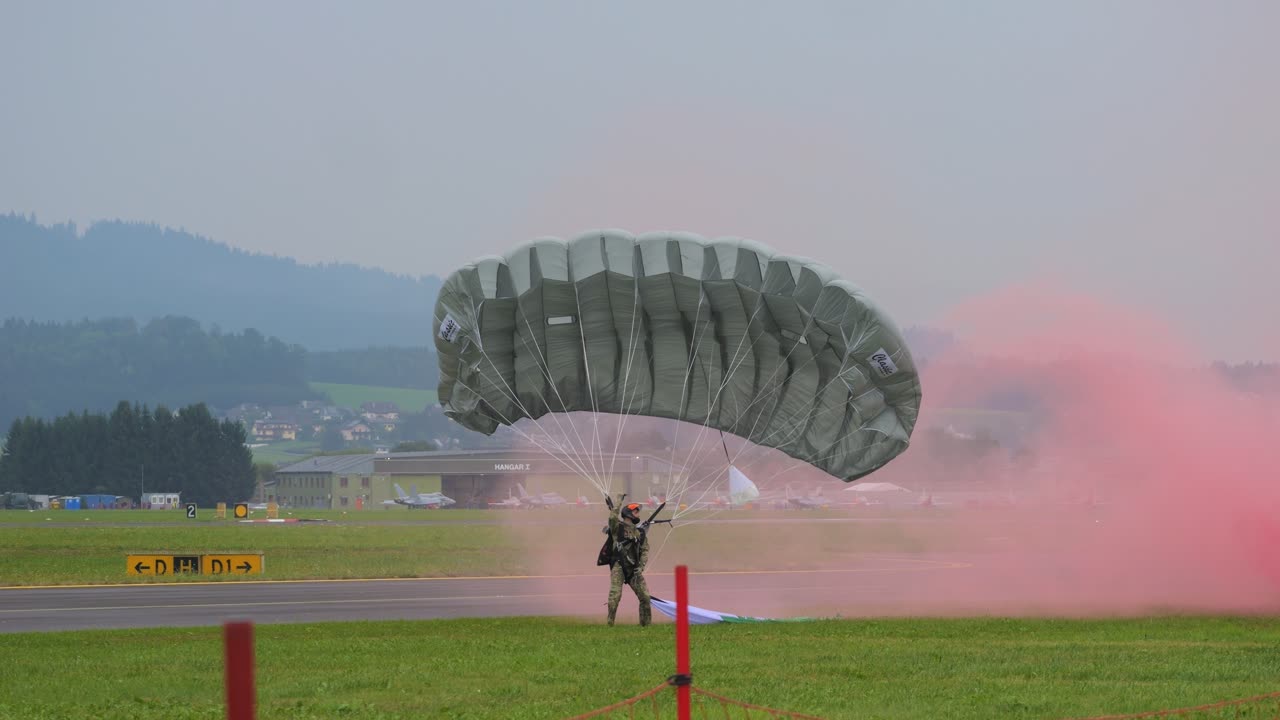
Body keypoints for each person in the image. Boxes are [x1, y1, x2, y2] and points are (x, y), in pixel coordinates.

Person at [602, 493, 651, 626]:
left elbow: (645, 550)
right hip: (619, 566)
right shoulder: (617, 527)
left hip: (634, 569)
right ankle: (610, 623)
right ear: (629, 513)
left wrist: (641, 567)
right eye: (636, 512)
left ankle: (646, 625)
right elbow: (612, 516)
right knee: (615, 595)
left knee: (645, 597)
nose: (638, 514)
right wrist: (618, 500)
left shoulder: (640, 532)